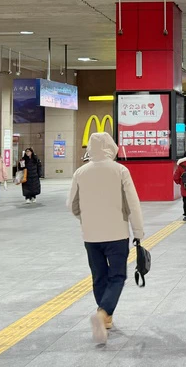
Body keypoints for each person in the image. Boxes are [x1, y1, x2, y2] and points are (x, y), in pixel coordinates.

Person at [67, 132, 144, 345]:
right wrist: (138, 232)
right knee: (117, 276)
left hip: (91, 236)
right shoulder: (120, 170)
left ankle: (106, 318)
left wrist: (86, 218)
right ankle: (103, 313)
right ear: (111, 147)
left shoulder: (80, 172)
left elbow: (71, 204)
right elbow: (133, 204)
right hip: (117, 234)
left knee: (99, 276)